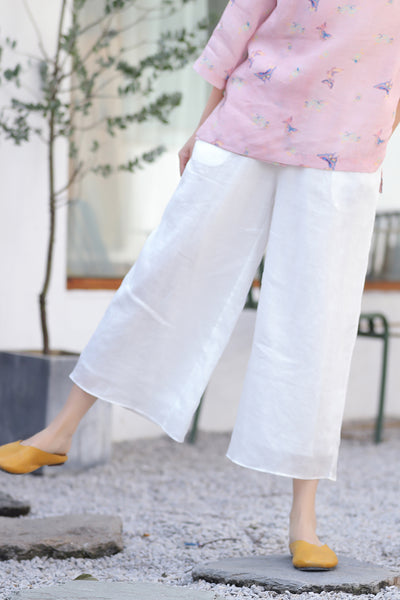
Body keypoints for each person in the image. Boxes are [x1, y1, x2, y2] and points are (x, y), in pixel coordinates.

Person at [1, 0, 400, 571]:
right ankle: (59, 431)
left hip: (347, 149)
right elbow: (240, 20)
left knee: (317, 323)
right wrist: (203, 124)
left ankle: (304, 521)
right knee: (169, 271)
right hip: (250, 119)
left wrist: (377, 142)